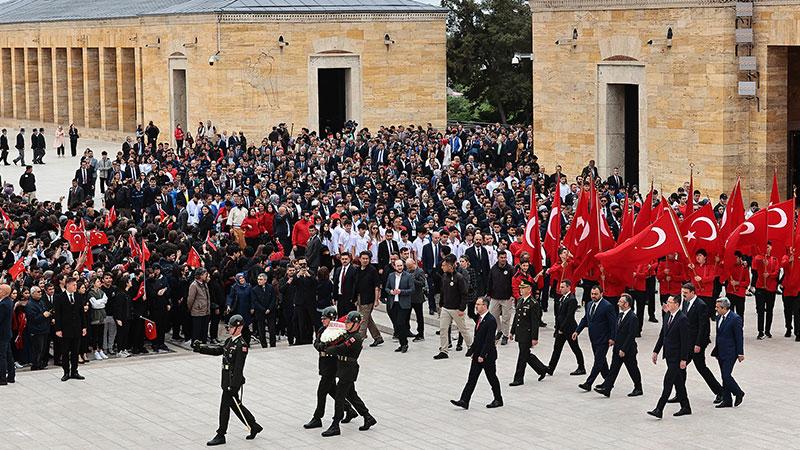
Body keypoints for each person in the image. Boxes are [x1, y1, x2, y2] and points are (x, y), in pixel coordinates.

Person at [194, 315, 263, 446]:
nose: (229, 329)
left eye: (231, 327)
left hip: (232, 383)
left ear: (239, 327)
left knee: (224, 407)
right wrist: (201, 348)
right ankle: (253, 425)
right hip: (226, 381)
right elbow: (218, 350)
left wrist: (233, 386)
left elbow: (238, 368)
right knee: (236, 405)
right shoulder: (229, 341)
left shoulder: (241, 345)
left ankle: (221, 434)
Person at [317, 311, 377, 437]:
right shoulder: (348, 334)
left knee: (339, 397)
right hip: (343, 368)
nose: (346, 324)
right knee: (352, 395)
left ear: (356, 324)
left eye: (349, 322)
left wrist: (327, 349)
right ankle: (367, 416)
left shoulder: (356, 337)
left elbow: (341, 348)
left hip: (348, 370)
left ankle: (335, 425)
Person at [304, 307, 357, 430]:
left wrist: (326, 347)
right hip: (323, 363)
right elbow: (316, 342)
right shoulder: (322, 329)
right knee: (332, 390)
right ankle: (349, 409)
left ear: (332, 318)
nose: (323, 321)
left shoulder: (339, 331)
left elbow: (340, 347)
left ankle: (317, 417)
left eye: (325, 319)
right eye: (322, 318)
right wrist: (320, 346)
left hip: (332, 364)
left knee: (321, 391)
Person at [450, 297, 503, 409]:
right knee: (472, 378)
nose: (476, 306)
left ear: (485, 306)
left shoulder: (491, 320)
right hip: (477, 354)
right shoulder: (480, 318)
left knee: (492, 377)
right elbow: (478, 338)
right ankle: (464, 400)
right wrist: (472, 351)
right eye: (476, 304)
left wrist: (482, 355)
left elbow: (489, 341)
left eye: (478, 304)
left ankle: (498, 399)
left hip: (487, 356)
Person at [675, 283, 722, 404]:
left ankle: (720, 392)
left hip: (696, 344)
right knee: (681, 367)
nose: (683, 295)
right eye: (682, 292)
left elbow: (704, 327)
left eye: (685, 293)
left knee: (701, 368)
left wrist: (699, 344)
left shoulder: (701, 305)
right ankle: (680, 393)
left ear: (692, 292)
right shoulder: (685, 303)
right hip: (687, 342)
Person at [648, 296, 691, 419]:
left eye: (670, 302)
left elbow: (685, 341)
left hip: (677, 357)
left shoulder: (682, 319)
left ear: (677, 304)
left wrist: (684, 359)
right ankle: (686, 406)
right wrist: (656, 351)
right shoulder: (668, 315)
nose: (667, 304)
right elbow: (663, 335)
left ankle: (659, 409)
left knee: (668, 382)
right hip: (669, 355)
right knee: (678, 382)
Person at [594, 293, 642, 397]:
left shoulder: (632, 317)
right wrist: (613, 340)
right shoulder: (620, 314)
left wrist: (623, 349)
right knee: (613, 369)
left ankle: (638, 388)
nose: (618, 303)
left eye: (620, 302)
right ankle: (607, 389)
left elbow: (631, 336)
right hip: (617, 348)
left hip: (627, 350)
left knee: (632, 369)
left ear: (627, 304)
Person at [572, 284, 616, 392]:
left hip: (603, 339)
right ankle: (608, 382)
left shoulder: (607, 306)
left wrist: (612, 338)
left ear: (601, 294)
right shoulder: (589, 304)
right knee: (602, 362)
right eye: (592, 294)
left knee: (598, 362)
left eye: (596, 294)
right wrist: (577, 331)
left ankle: (588, 383)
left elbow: (613, 324)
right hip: (593, 338)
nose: (593, 296)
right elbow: (585, 319)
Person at [509, 280, 548, 386]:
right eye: (520, 288)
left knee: (522, 356)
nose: (521, 290)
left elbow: (535, 322)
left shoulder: (533, 303)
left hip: (527, 334)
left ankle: (518, 378)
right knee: (526, 355)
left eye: (523, 288)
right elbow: (517, 317)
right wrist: (512, 332)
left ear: (529, 289)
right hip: (520, 332)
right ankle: (542, 369)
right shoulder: (521, 300)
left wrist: (534, 338)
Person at [434, 254, 472, 359]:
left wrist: (462, 308)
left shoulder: (459, 278)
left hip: (456, 309)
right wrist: (441, 303)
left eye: (444, 265)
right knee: (443, 329)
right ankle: (444, 350)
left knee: (463, 329)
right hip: (446, 308)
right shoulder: (445, 276)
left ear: (450, 266)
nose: (442, 267)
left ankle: (471, 346)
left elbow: (464, 294)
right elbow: (443, 291)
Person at [711, 297, 745, 408]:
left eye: (718, 307)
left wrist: (740, 353)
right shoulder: (718, 317)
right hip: (720, 351)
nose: (716, 309)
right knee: (723, 376)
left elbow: (739, 337)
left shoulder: (735, 319)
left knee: (726, 375)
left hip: (731, 352)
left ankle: (738, 392)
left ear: (724, 308)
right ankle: (727, 400)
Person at [547, 279, 585, 375]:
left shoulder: (572, 299)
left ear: (569, 287)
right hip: (561, 328)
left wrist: (561, 329)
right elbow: (559, 315)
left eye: (563, 287)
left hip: (570, 329)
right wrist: (557, 328)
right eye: (560, 287)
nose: (560, 289)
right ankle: (551, 368)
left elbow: (569, 316)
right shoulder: (562, 298)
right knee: (557, 349)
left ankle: (581, 367)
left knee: (575, 348)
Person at [53, 278, 87, 382]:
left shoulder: (78, 296)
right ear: (67, 285)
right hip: (65, 329)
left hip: (76, 328)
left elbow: (82, 313)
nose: (75, 287)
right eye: (73, 285)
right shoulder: (59, 298)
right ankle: (66, 372)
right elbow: (57, 315)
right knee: (65, 351)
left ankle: (74, 371)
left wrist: (84, 327)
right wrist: (58, 329)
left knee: (75, 351)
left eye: (76, 285)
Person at [354, 251, 383, 346]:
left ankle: (359, 340)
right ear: (360, 259)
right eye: (363, 258)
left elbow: (376, 286)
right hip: (359, 297)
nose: (365, 260)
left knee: (363, 319)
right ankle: (378, 337)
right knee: (367, 318)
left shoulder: (372, 270)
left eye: (367, 259)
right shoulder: (358, 269)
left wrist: (376, 299)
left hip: (368, 298)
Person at [385, 259, 413, 353]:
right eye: (398, 266)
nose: (400, 267)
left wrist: (401, 291)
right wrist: (390, 292)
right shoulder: (391, 276)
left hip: (404, 304)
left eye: (401, 265)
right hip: (393, 303)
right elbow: (386, 288)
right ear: (394, 266)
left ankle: (404, 344)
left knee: (401, 323)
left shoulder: (408, 276)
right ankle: (402, 344)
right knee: (397, 325)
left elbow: (411, 289)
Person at [487, 251, 514, 345]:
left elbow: (513, 283)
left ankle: (505, 335)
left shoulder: (510, 269)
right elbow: (489, 281)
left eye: (504, 257)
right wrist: (488, 294)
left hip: (507, 297)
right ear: (498, 258)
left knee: (506, 318)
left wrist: (512, 295)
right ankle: (499, 331)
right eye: (501, 257)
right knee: (493, 316)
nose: (503, 259)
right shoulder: (493, 269)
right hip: (495, 297)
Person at [187, 267, 211, 345]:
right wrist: (191, 309)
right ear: (200, 276)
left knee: (204, 330)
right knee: (196, 330)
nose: (206, 276)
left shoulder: (205, 284)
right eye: (205, 274)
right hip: (197, 311)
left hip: (205, 311)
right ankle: (195, 344)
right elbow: (190, 299)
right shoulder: (194, 285)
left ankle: (203, 344)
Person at [0, 284, 13, 385]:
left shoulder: (3, 304)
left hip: (2, 334)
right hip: (6, 333)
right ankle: (11, 376)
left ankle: (2, 378)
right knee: (8, 355)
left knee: (2, 356)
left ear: (4, 292)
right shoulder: (8, 301)